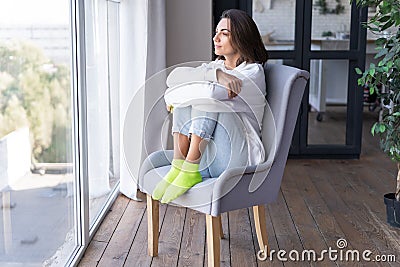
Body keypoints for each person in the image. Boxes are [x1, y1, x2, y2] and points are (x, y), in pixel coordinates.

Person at [152, 9, 269, 203]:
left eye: (224, 33)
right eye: (216, 32)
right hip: (209, 158)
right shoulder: (217, 67)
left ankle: (189, 168)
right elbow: (172, 79)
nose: (216, 38)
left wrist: (180, 95)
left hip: (239, 160)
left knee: (203, 96)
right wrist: (215, 75)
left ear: (242, 38)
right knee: (192, 95)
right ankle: (179, 166)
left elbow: (210, 94)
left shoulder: (252, 73)